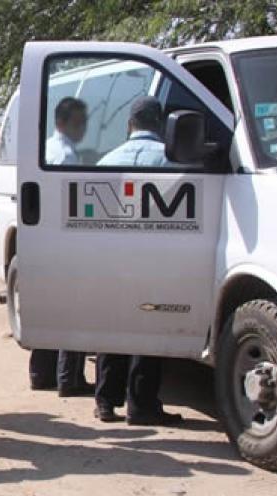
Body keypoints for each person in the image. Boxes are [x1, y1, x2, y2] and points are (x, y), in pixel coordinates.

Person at [93, 96, 182, 426]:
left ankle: (105, 401)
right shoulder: (170, 160)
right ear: (160, 125)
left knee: (112, 325)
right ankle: (142, 405)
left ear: (129, 125)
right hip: (154, 260)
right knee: (147, 326)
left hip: (114, 261)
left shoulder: (106, 161)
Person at [31, 97, 94, 397]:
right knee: (73, 310)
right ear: (63, 123)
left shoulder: (46, 148)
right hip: (65, 243)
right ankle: (70, 378)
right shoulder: (67, 155)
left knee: (48, 310)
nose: (84, 128)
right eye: (80, 122)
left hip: (42, 240)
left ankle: (41, 373)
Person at [45, 97, 87, 165]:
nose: (83, 127)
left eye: (84, 122)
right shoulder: (67, 156)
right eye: (77, 123)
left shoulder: (46, 147)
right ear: (60, 123)